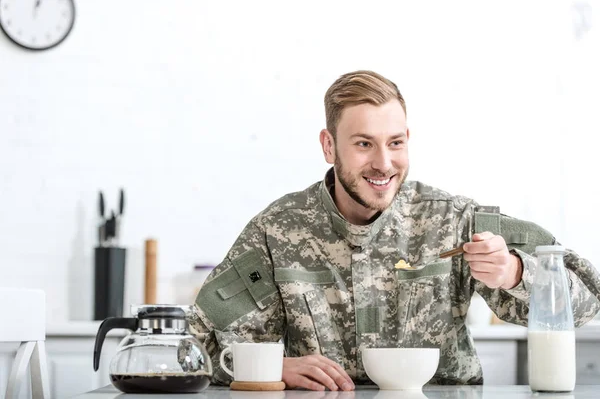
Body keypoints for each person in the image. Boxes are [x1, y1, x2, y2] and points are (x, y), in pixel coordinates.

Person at [188, 70, 600, 391]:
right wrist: (270, 368)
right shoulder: (277, 231)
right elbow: (191, 345)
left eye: (396, 143)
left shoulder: (454, 219)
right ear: (329, 146)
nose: (384, 163)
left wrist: (514, 272)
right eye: (364, 144)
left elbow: (590, 300)